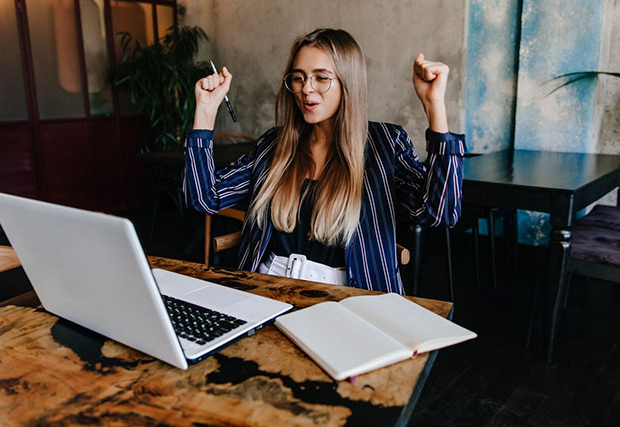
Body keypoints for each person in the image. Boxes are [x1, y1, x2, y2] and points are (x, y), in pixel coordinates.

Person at [183, 28, 465, 293]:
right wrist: (206, 112)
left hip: (351, 297)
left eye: (321, 77)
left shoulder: (385, 143)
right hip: (266, 289)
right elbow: (205, 198)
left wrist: (434, 106)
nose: (306, 89)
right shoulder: (274, 144)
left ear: (348, 82)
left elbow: (440, 212)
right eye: (299, 77)